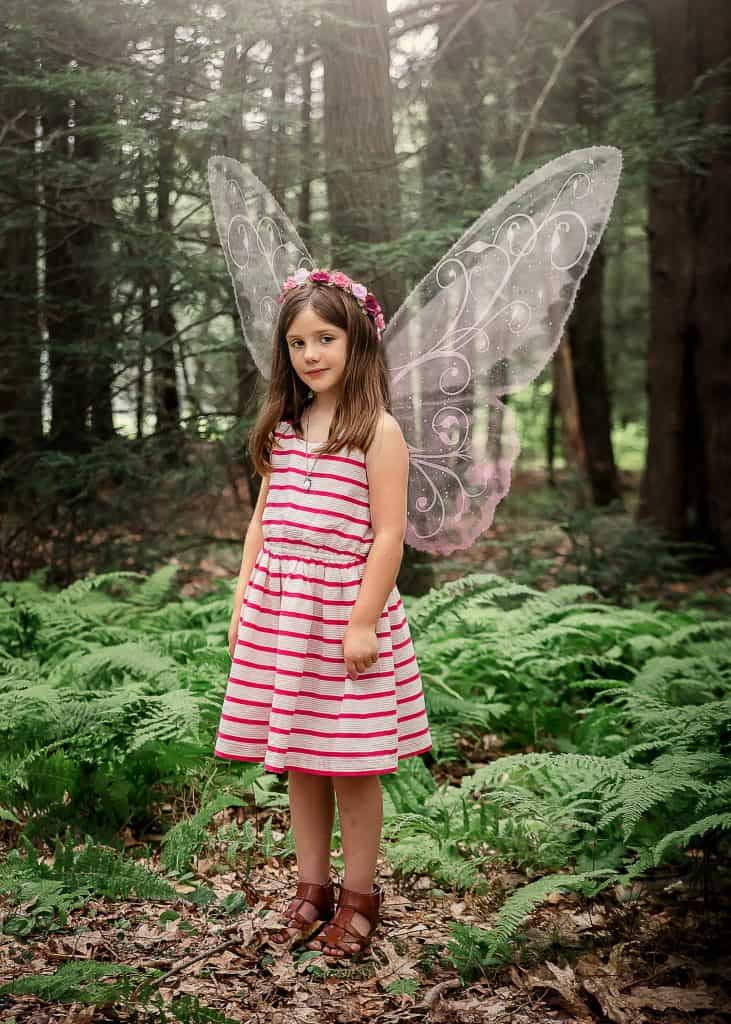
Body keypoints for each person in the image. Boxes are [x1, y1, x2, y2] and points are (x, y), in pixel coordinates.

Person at [214, 267, 433, 961]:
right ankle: (311, 889)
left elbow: (389, 536)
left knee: (350, 765)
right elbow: (260, 523)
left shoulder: (377, 431)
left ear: (356, 341)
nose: (310, 354)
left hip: (342, 618)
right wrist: (243, 595)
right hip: (283, 617)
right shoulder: (284, 428)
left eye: (326, 338)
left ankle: (361, 894)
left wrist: (363, 620)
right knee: (300, 761)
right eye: (297, 342)